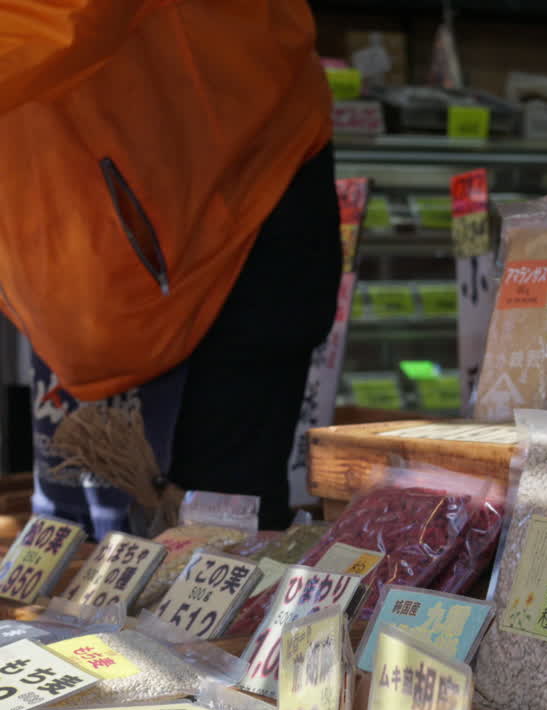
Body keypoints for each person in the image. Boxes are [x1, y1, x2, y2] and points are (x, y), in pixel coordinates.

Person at [2, 1, 342, 535]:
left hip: (229, 191)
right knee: (84, 534)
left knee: (219, 539)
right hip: (80, 221)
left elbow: (65, 15)